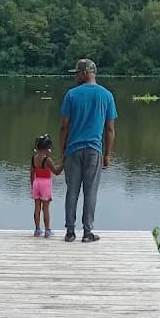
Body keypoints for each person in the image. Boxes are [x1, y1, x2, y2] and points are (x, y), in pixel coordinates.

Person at [59, 58, 117, 243]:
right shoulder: (106, 95)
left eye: (77, 73)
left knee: (72, 191)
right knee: (90, 192)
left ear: (85, 73)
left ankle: (70, 232)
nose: (75, 76)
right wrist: (107, 155)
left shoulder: (71, 95)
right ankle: (87, 232)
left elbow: (64, 126)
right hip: (94, 150)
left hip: (73, 150)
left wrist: (63, 149)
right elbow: (110, 129)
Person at [29, 133, 63, 238]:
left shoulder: (33, 158)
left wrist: (32, 185)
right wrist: (63, 163)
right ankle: (47, 231)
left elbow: (31, 173)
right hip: (45, 184)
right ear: (47, 148)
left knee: (37, 207)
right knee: (46, 208)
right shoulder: (47, 160)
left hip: (36, 182)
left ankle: (37, 229)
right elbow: (56, 171)